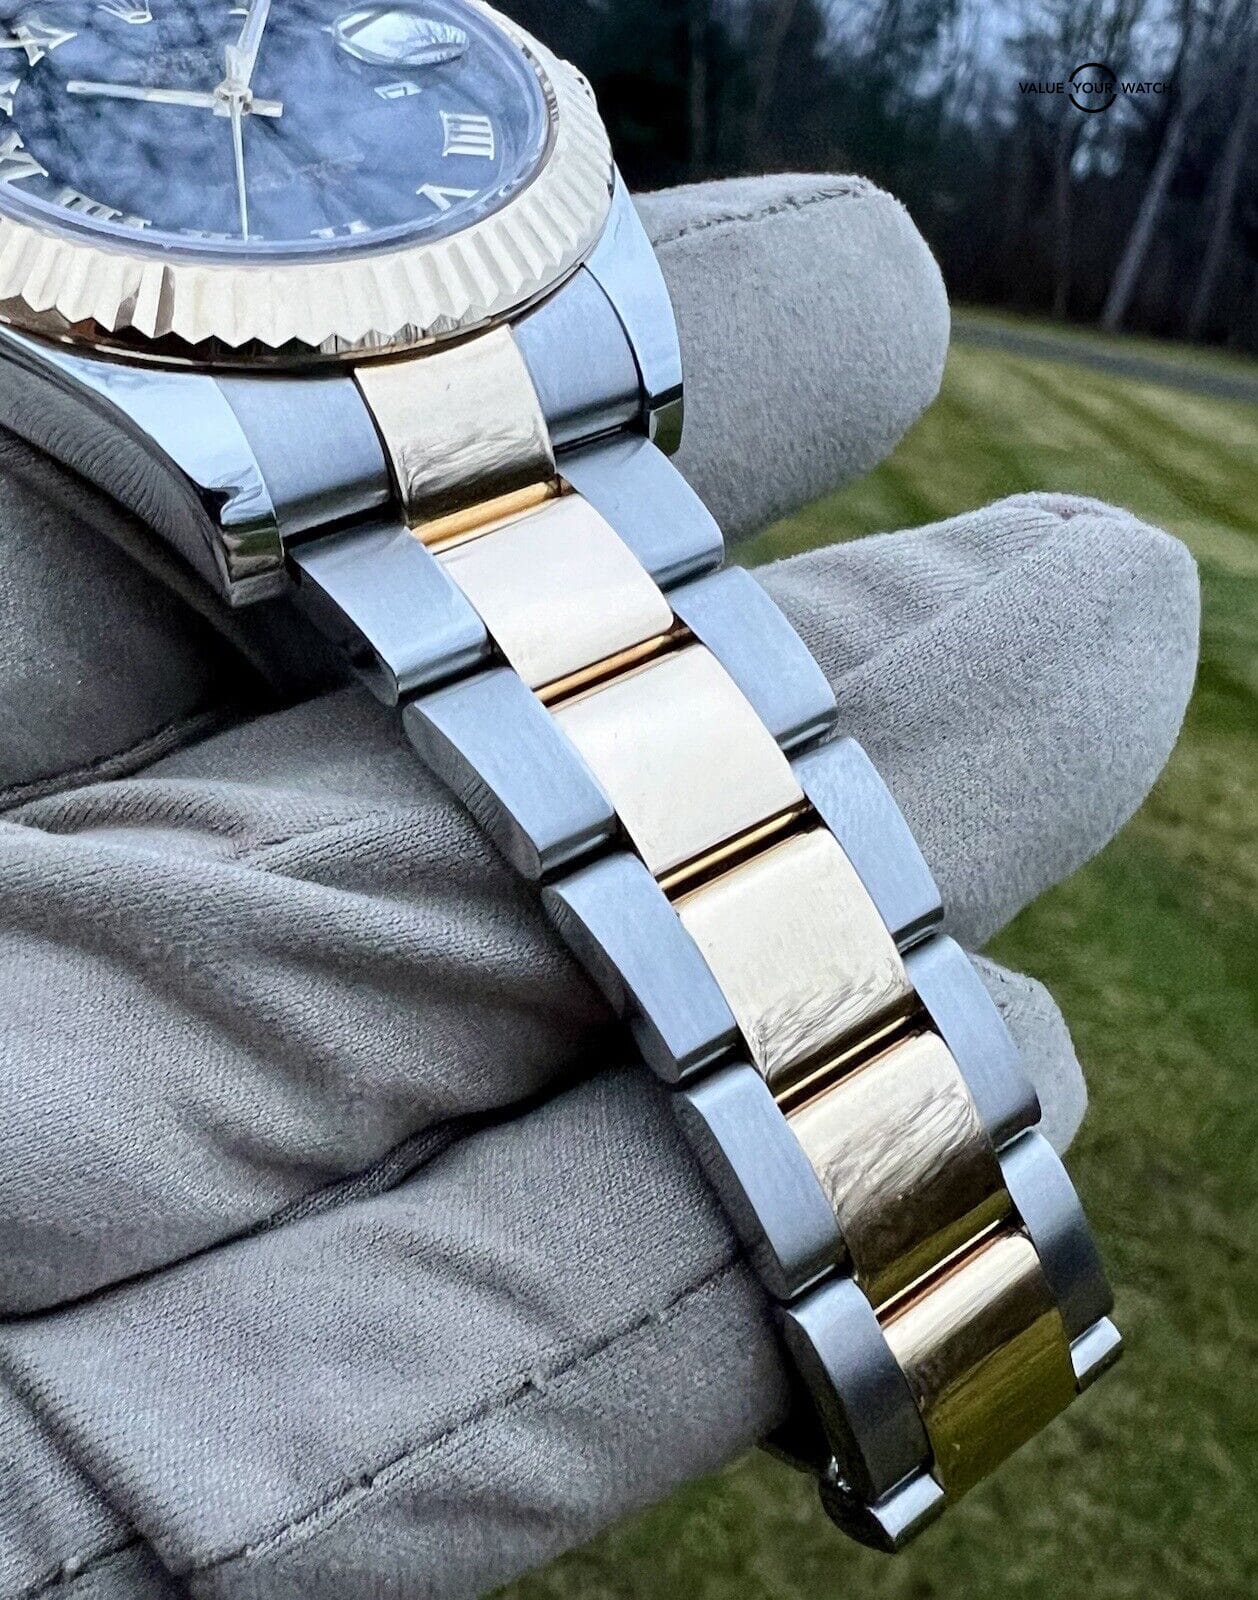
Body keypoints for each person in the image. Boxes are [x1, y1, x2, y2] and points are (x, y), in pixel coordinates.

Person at [0, 173, 1198, 1600]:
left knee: (745, 807)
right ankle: (925, 1295)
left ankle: (929, 1262)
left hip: (471, 296)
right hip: (216, 343)